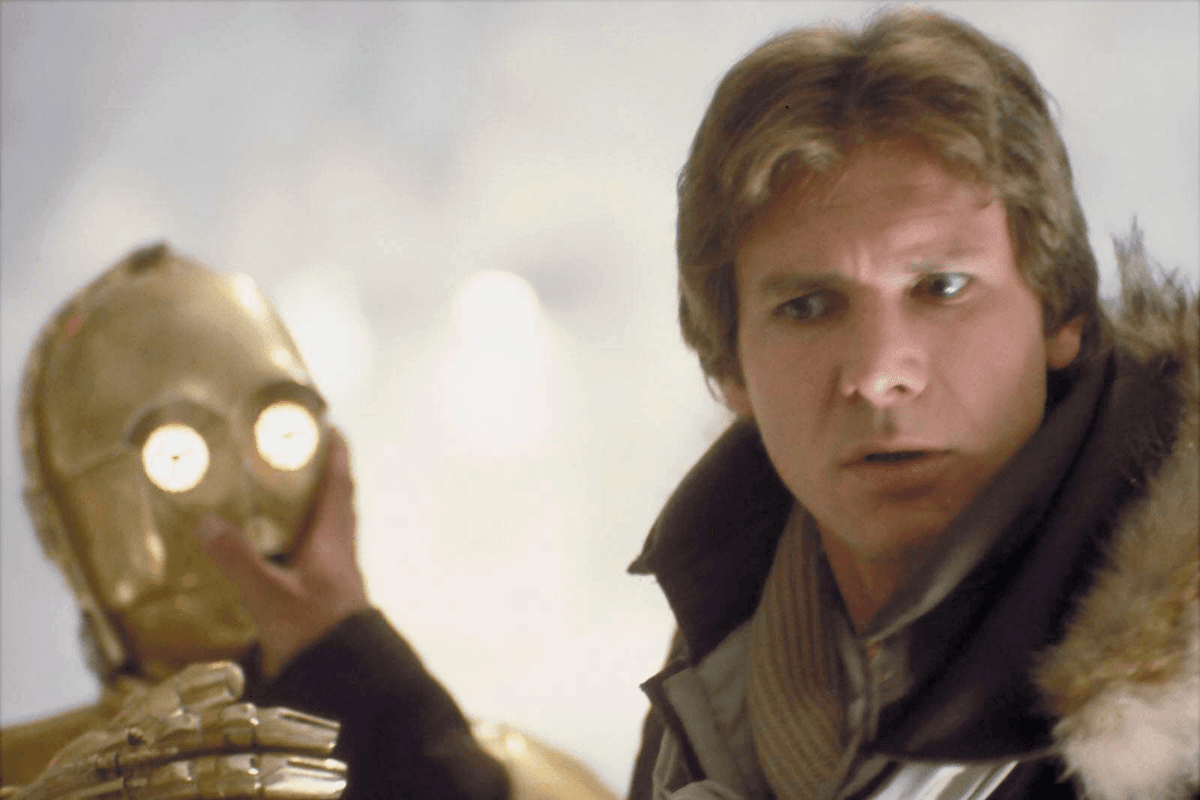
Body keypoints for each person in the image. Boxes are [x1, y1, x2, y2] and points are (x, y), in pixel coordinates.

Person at [100, 7, 1200, 800]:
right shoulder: (748, 641)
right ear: (730, 367)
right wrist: (341, 655)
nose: (878, 371)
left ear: (1062, 315)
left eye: (942, 288)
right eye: (808, 305)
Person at [4, 244, 612, 800]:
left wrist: (360, 685)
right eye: (176, 455)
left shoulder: (526, 781)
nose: (242, 502)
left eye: (280, 430)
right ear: (62, 525)